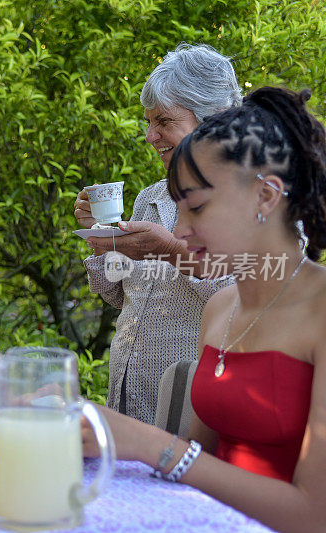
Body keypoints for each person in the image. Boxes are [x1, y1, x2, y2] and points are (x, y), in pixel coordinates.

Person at [84, 86, 326, 531]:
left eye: (195, 207)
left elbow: (314, 515)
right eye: (177, 208)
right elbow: (202, 467)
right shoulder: (220, 309)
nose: (180, 228)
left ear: (266, 197)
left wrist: (153, 445)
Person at [73, 43, 239, 424]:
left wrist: (170, 250)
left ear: (211, 120)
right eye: (148, 122)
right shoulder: (152, 198)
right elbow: (117, 294)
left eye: (163, 122)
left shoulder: (254, 200)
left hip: (196, 413)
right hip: (129, 398)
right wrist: (102, 240)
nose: (151, 136)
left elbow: (251, 298)